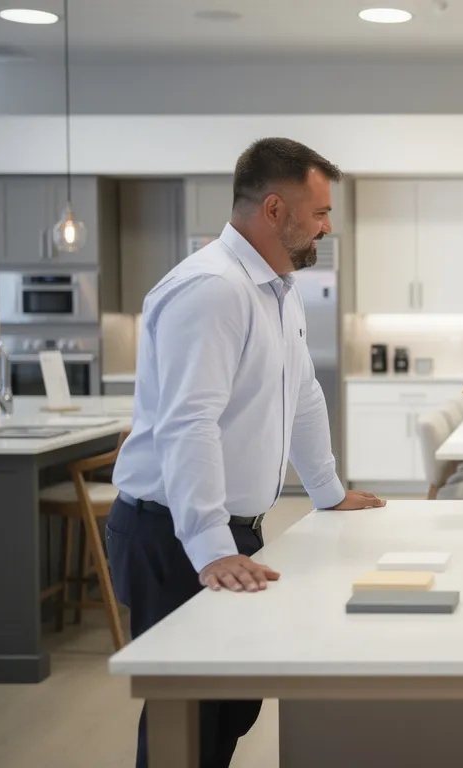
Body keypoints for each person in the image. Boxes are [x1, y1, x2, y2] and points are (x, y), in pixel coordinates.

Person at [107, 137, 385, 768]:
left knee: (229, 710)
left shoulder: (274, 289)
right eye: (318, 213)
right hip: (172, 535)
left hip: (227, 531)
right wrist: (210, 548)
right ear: (274, 210)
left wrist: (328, 492)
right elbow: (189, 422)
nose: (326, 226)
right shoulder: (213, 289)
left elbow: (303, 393)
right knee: (190, 723)